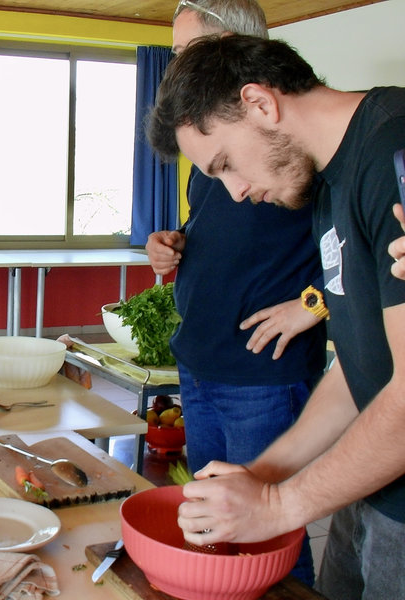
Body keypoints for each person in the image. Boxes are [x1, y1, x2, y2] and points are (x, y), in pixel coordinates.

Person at [147, 34, 405, 599]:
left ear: (260, 102)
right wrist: (262, 475)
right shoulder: (325, 183)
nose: (236, 192)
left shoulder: (393, 146)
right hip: (371, 487)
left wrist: (279, 505)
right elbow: (360, 369)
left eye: (226, 165)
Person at [147, 2, 326, 584]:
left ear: (232, 46)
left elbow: (357, 254)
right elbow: (214, 226)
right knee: (216, 517)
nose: (177, 68)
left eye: (186, 52)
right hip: (200, 361)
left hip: (261, 373)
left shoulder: (299, 146)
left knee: (269, 530)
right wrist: (172, 243)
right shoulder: (213, 144)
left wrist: (312, 305)